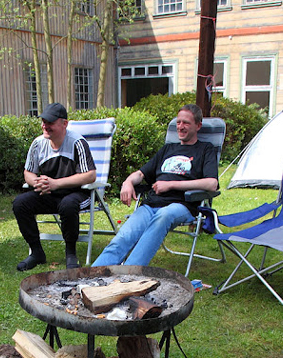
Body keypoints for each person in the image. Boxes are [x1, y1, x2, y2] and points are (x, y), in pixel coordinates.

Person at [92, 104, 219, 267]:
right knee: (123, 238)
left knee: (163, 216)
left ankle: (129, 274)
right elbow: (140, 174)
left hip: (181, 205)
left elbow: (211, 183)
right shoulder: (167, 149)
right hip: (151, 204)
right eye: (178, 122)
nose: (180, 127)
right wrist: (128, 182)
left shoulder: (205, 149)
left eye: (186, 123)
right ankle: (91, 277)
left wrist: (170, 185)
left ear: (198, 125)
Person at [13, 102, 97, 271]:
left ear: (64, 123)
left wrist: (56, 183)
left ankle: (71, 253)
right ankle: (36, 252)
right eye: (43, 121)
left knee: (67, 205)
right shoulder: (38, 144)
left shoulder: (77, 143)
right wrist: (35, 182)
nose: (45, 126)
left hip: (77, 193)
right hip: (48, 194)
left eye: (50, 122)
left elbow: (90, 175)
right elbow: (28, 172)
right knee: (20, 203)